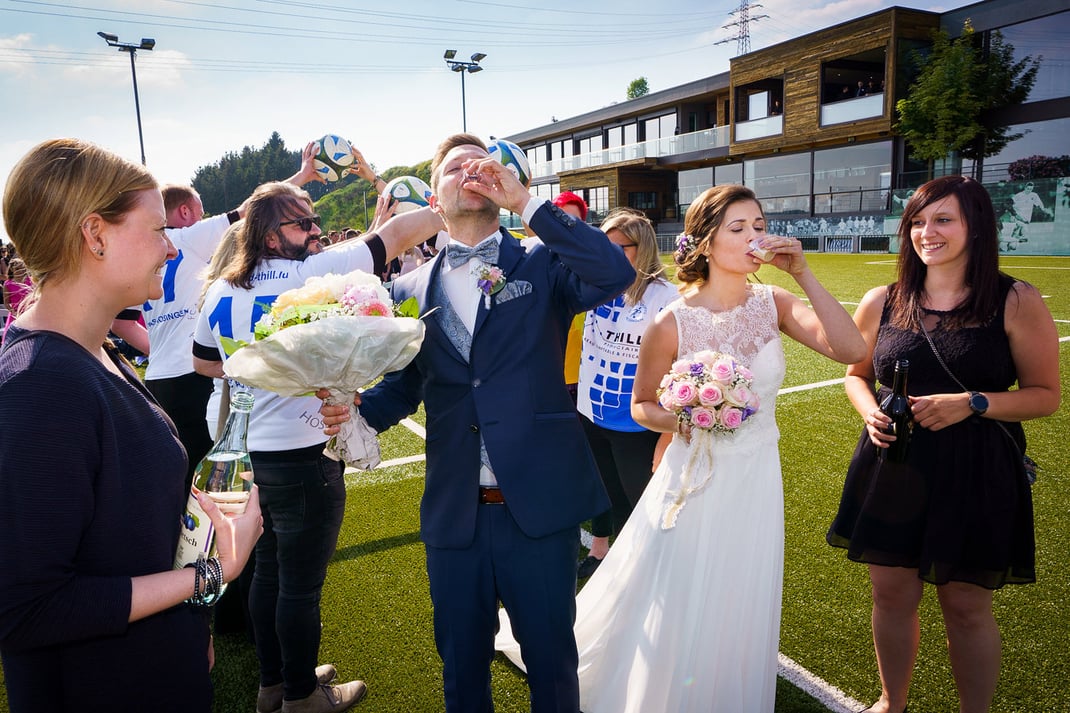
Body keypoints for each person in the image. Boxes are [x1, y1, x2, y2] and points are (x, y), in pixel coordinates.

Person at [499, 184, 866, 712]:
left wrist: (803, 274)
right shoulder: (671, 320)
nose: (755, 237)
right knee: (680, 590)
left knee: (741, 588)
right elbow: (642, 406)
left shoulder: (776, 304)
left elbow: (852, 349)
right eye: (738, 228)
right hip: (692, 479)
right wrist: (691, 416)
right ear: (706, 241)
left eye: (759, 226)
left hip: (758, 475)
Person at [319, 133, 635, 713]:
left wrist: (527, 204)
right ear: (433, 200)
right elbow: (406, 388)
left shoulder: (541, 261)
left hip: (538, 512)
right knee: (462, 669)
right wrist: (354, 412)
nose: (470, 172)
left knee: (551, 667)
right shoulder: (406, 291)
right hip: (455, 514)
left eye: (481, 164)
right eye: (454, 168)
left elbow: (614, 271)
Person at [0, 137, 262, 712]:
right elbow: (26, 608)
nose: (170, 248)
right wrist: (211, 576)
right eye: (158, 229)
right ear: (94, 234)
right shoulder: (40, 384)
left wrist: (190, 625)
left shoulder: (95, 350)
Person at [193, 180, 439, 713]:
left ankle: (275, 683)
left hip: (251, 453)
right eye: (302, 223)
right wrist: (446, 205)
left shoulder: (218, 289)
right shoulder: (311, 271)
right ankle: (302, 695)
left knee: (269, 573)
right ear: (270, 236)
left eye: (315, 221)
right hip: (304, 452)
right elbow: (400, 233)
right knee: (300, 586)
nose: (315, 231)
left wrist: (260, 372)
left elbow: (203, 362)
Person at [827, 175, 1060, 713]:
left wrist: (972, 402)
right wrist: (868, 412)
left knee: (966, 606)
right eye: (917, 221)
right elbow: (856, 375)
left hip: (976, 469)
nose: (926, 232)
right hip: (892, 464)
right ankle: (892, 702)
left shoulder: (1014, 299)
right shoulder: (883, 300)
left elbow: (1045, 396)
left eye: (943, 219)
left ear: (975, 227)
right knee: (890, 595)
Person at [140, 150, 320, 492]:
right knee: (213, 477)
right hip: (192, 369)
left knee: (181, 473)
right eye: (199, 210)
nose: (203, 216)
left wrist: (156, 348)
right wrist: (301, 178)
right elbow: (254, 208)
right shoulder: (188, 238)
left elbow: (122, 321)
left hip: (158, 376)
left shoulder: (149, 249)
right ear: (184, 212)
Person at [573, 208, 678, 579]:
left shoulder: (666, 297)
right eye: (605, 246)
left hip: (636, 423)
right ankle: (618, 563)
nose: (611, 254)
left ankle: (657, 576)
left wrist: (667, 433)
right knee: (607, 497)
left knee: (645, 506)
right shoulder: (593, 287)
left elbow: (681, 365)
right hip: (592, 413)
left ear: (643, 248)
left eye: (621, 248)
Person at [2, 257, 32, 342]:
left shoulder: (30, 280)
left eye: (22, 268)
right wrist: (13, 312)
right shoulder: (8, 284)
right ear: (12, 269)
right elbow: (6, 303)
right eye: (17, 268)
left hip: (29, 314)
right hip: (15, 316)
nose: (21, 271)